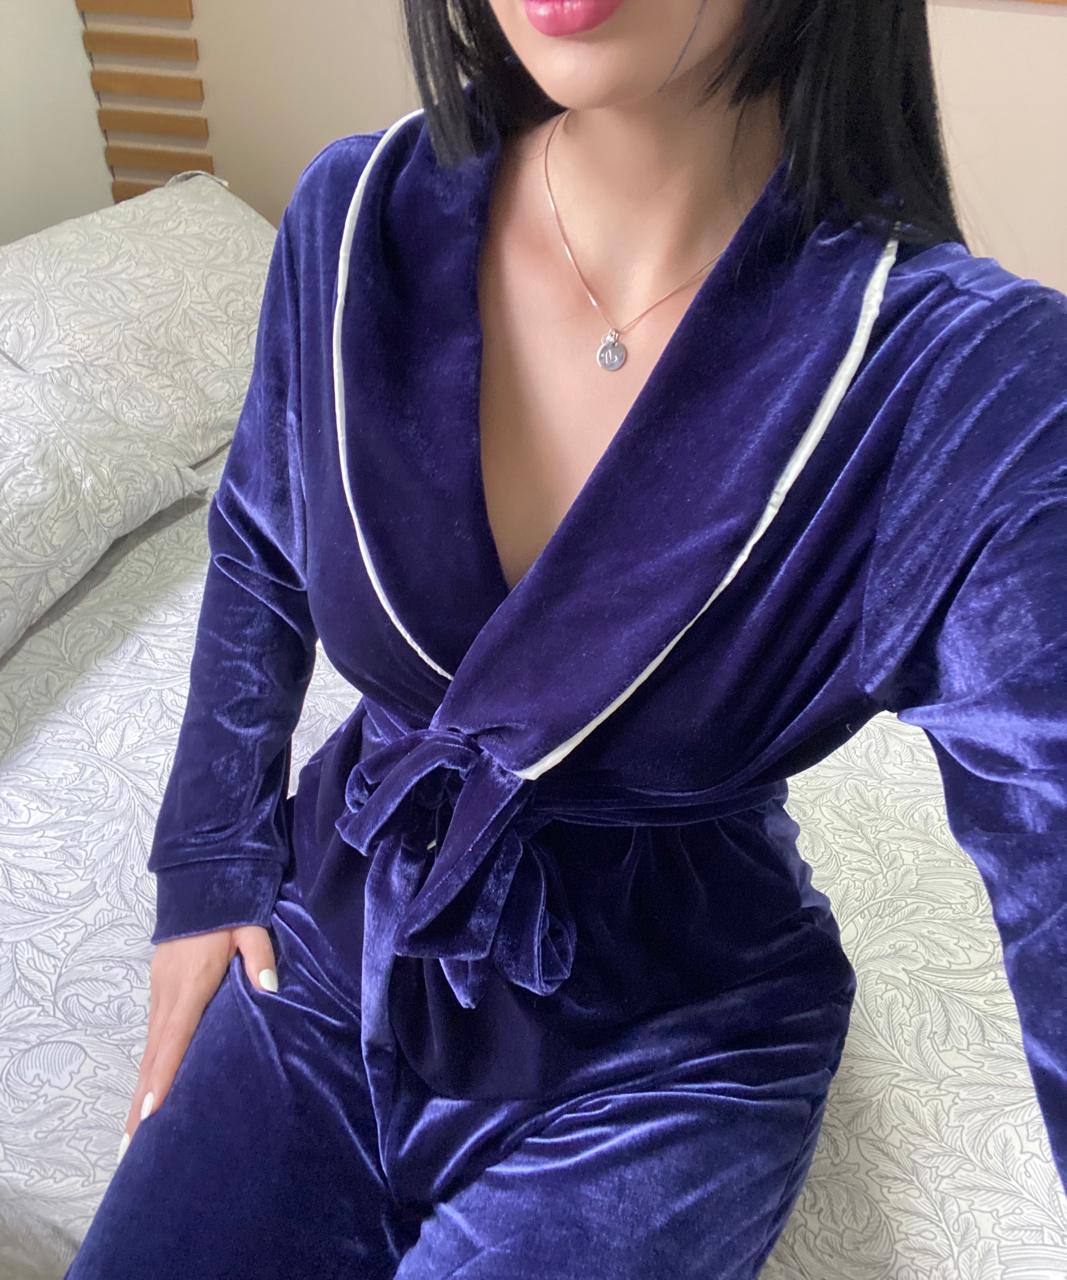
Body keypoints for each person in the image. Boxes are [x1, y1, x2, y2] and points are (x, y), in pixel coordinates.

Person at [65, 0, 1067, 1276]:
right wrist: (210, 857)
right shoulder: (352, 219)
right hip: (334, 933)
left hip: (668, 1038)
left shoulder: (960, 383)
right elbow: (263, 535)